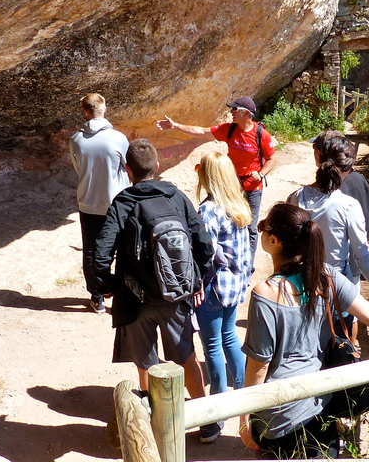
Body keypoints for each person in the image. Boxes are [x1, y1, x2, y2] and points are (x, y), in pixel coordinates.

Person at [239, 203, 369, 457]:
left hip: (278, 416)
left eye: (262, 227)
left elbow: (259, 365)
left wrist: (243, 415)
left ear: (274, 240)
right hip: (321, 401)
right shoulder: (324, 275)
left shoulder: (265, 294)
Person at [93, 138, 222, 443]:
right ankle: (206, 422)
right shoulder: (176, 197)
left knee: (146, 362)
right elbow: (204, 244)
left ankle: (155, 422)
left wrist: (106, 286)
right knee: (188, 357)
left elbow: (100, 253)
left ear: (128, 170)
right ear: (158, 167)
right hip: (176, 296)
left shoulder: (123, 203)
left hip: (135, 298)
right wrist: (198, 281)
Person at [288, 131, 369, 345]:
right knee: (341, 339)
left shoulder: (296, 197)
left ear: (318, 158)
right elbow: (362, 253)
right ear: (347, 169)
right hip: (336, 284)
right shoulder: (348, 206)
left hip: (302, 281)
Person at [155, 97, 277, 263]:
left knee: (249, 226)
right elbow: (201, 132)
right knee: (214, 214)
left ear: (246, 113)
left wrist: (261, 174)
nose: (231, 112)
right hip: (229, 183)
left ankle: (247, 265)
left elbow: (271, 158)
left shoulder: (260, 134)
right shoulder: (229, 130)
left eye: (235, 109)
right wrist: (175, 125)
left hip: (252, 186)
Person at [195, 152, 253, 396]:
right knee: (229, 337)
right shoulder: (239, 205)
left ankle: (217, 407)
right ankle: (243, 393)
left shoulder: (209, 210)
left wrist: (197, 283)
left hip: (213, 287)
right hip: (234, 284)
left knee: (212, 346)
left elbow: (205, 254)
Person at [69, 93, 130, 314]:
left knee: (92, 251)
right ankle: (120, 293)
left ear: (85, 112)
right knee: (122, 248)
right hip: (117, 202)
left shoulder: (76, 139)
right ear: (104, 109)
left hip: (88, 201)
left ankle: (97, 296)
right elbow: (128, 167)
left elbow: (79, 169)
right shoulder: (119, 138)